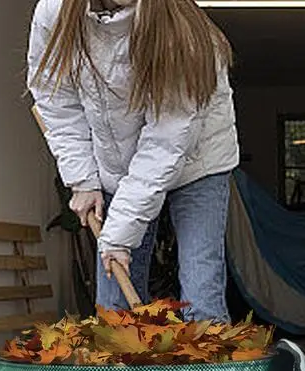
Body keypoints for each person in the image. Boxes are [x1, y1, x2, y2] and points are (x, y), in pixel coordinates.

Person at [28, 0, 239, 319]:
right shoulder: (55, 11)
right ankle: (122, 368)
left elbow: (166, 144)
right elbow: (56, 100)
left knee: (201, 289)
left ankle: (208, 368)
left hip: (198, 159)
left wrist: (119, 236)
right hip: (117, 163)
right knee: (114, 307)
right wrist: (83, 180)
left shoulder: (186, 36)